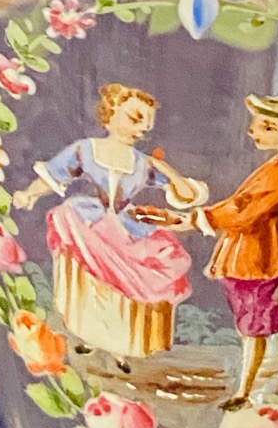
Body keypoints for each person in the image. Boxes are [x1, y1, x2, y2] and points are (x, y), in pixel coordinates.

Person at [138, 90, 278, 410]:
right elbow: (240, 205)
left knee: (252, 323)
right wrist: (188, 219)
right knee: (266, 312)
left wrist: (190, 219)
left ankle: (244, 392)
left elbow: (245, 211)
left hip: (258, 253)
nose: (252, 131)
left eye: (266, 126)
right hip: (254, 248)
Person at [13, 83, 208, 368]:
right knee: (96, 285)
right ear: (111, 112)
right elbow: (54, 176)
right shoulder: (86, 150)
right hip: (91, 222)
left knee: (134, 279)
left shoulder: (142, 164)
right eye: (135, 118)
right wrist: (30, 193)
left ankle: (120, 346)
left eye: (146, 124)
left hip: (127, 225)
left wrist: (165, 169)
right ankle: (92, 337)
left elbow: (188, 195)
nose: (141, 128)